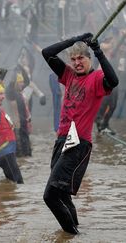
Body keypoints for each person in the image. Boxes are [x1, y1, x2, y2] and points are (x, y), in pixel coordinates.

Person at [41, 33, 119, 234]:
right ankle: (76, 231)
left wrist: (97, 50)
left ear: (88, 59)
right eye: (73, 59)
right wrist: (75, 39)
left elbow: (114, 80)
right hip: (62, 140)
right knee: (62, 195)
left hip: (79, 143)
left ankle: (72, 235)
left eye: (81, 58)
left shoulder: (96, 78)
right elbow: (47, 52)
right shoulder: (68, 76)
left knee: (50, 195)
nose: (77, 63)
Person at [0, 82, 24, 184]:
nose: (3, 97)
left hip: (8, 152)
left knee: (12, 184)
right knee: (18, 182)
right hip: (4, 152)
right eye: (0, 94)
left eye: (3, 94)